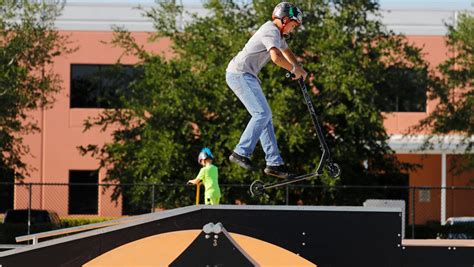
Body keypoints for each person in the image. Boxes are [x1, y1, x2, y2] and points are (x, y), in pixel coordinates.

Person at [226, 2, 307, 179]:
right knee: (261, 113)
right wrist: (293, 70)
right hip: (239, 74)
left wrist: (298, 67)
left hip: (248, 76)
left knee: (265, 116)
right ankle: (240, 152)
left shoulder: (278, 35)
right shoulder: (270, 30)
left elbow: (286, 51)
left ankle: (274, 164)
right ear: (284, 20)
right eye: (293, 25)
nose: (292, 30)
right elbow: (276, 57)